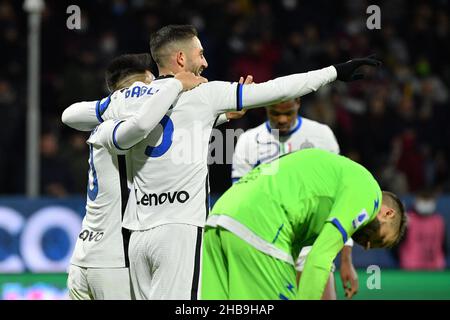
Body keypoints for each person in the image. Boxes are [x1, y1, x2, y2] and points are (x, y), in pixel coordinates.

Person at [63, 24, 381, 300]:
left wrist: (218, 119)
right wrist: (336, 72)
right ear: (180, 59)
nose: (205, 61)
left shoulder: (131, 99)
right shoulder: (207, 94)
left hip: (136, 235)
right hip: (179, 230)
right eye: (200, 54)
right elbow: (278, 89)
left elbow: (80, 116)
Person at [65, 53, 206, 299]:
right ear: (140, 88)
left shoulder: (103, 127)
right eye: (152, 85)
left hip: (81, 260)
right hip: (114, 262)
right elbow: (153, 125)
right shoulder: (127, 130)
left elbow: (68, 115)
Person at [201, 149, 407, 300]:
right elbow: (319, 257)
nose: (368, 246)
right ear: (388, 213)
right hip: (262, 225)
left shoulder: (333, 182)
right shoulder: (369, 193)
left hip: (221, 216)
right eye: (379, 239)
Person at [232, 98, 358, 299]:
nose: (282, 119)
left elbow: (340, 199)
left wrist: (346, 259)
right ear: (266, 106)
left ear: (298, 103)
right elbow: (238, 199)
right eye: (275, 113)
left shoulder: (322, 136)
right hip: (265, 243)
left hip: (311, 246)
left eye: (288, 113)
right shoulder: (249, 140)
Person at [398, 190, 446, 270]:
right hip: (410, 267)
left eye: (427, 200)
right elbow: (398, 242)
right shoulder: (408, 219)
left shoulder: (439, 221)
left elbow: (444, 245)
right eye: (423, 200)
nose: (425, 203)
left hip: (435, 267)